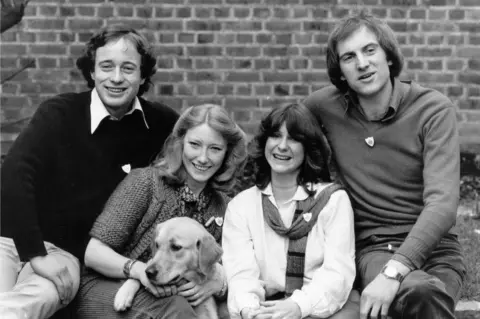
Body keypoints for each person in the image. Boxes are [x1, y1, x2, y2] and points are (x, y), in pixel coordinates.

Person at [0, 24, 179, 318]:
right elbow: (14, 177)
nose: (116, 78)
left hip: (68, 255)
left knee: (38, 297)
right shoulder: (59, 113)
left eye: (128, 68)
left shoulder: (160, 125)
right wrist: (34, 253)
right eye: (106, 67)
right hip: (11, 241)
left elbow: (201, 158)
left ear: (143, 75)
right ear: (93, 72)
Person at [303, 11, 466, 319]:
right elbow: (279, 135)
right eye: (349, 57)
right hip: (376, 247)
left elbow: (443, 205)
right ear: (340, 72)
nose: (362, 64)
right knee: (421, 293)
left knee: (426, 293)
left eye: (369, 50)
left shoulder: (433, 110)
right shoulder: (323, 107)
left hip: (437, 252)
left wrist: (394, 273)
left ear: (388, 56)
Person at [74, 103, 248, 319]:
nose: (203, 158)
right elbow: (93, 253)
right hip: (109, 288)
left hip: (173, 297)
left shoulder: (224, 206)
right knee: (176, 308)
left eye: (215, 148)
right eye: (195, 144)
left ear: (227, 153)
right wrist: (138, 271)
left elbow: (236, 266)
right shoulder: (145, 183)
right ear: (180, 144)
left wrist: (218, 283)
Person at [223, 103, 358, 319]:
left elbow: (337, 272)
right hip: (265, 308)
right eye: (275, 136)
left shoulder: (333, 201)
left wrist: (297, 306)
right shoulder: (241, 206)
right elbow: (241, 274)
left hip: (320, 308)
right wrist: (250, 310)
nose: (282, 146)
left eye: (294, 139)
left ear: (308, 148)